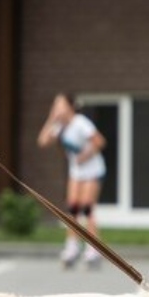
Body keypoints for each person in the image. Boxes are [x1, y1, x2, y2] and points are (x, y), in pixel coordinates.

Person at [37, 92, 106, 269]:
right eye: (55, 105)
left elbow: (99, 141)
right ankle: (72, 247)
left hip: (92, 169)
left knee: (87, 208)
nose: (57, 108)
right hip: (76, 171)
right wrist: (52, 119)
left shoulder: (81, 123)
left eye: (60, 105)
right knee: (73, 208)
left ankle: (93, 249)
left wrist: (85, 155)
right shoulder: (59, 126)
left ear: (70, 106)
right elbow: (43, 142)